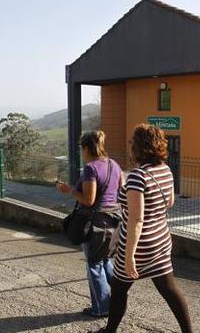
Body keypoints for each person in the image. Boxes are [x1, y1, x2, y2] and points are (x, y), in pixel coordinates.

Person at [90, 124, 193, 333]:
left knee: (119, 289)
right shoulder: (165, 170)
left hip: (139, 245)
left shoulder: (137, 177)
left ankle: (109, 331)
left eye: (132, 143)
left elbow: (135, 220)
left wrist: (129, 256)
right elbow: (170, 202)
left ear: (138, 147)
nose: (130, 146)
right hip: (161, 240)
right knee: (169, 288)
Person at [56, 131, 122, 318]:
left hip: (95, 223)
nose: (81, 152)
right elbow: (120, 190)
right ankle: (118, 300)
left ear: (86, 148)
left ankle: (101, 308)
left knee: (94, 264)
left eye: (81, 148)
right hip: (114, 220)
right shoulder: (114, 164)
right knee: (105, 261)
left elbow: (88, 199)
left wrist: (68, 190)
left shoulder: (91, 168)